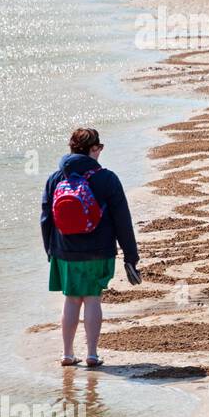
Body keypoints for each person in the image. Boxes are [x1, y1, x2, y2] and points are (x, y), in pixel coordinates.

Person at [41, 128, 140, 367]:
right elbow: (122, 220)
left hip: (65, 251)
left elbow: (46, 218)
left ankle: (67, 354)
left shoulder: (55, 178)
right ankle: (92, 354)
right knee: (92, 299)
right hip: (98, 250)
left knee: (71, 299)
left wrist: (50, 250)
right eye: (99, 148)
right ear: (94, 149)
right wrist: (130, 255)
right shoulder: (107, 178)